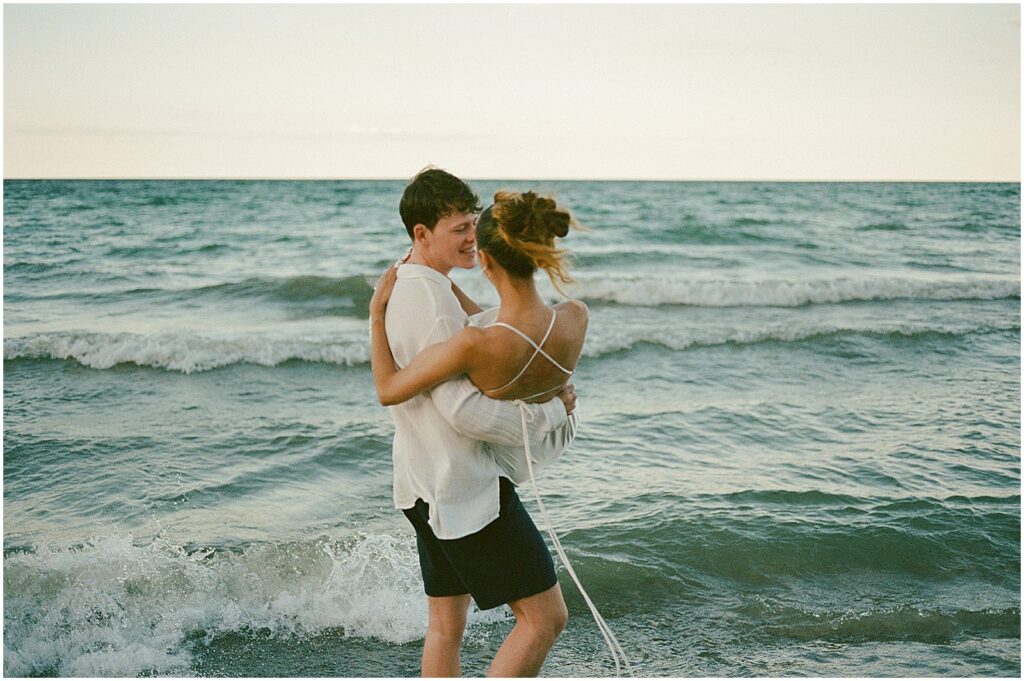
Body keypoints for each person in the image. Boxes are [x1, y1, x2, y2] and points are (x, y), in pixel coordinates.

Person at [370, 168, 585, 677]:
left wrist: (376, 314)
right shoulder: (433, 303)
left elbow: (480, 328)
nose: (472, 238)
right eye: (459, 229)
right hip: (464, 490)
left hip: (423, 483)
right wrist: (555, 410)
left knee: (446, 627)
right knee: (545, 619)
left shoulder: (420, 286)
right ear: (421, 234)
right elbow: (466, 413)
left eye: (474, 226)